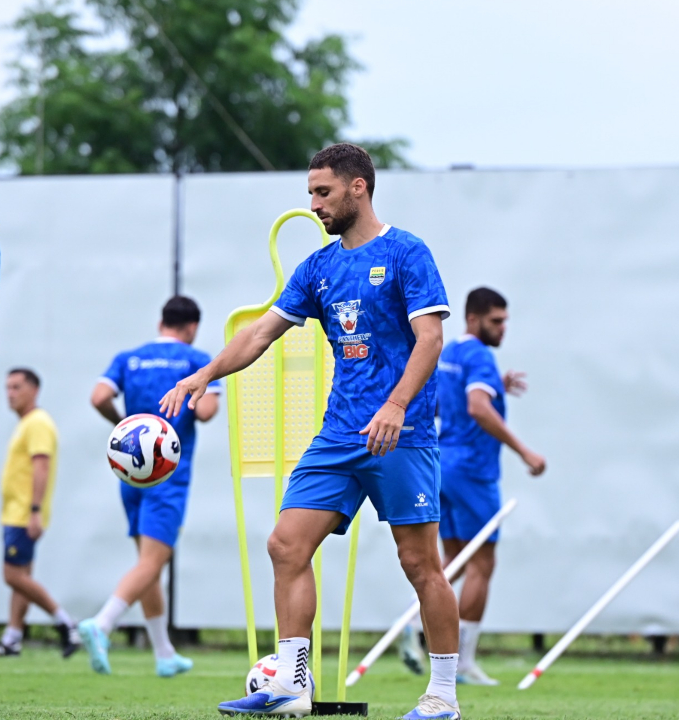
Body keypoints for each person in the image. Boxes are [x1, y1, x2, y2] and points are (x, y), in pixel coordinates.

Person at [161, 143, 462, 720]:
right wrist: (203, 373)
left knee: (421, 564)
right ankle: (291, 684)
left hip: (403, 433)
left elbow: (430, 340)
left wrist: (397, 405)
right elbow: (258, 335)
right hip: (339, 435)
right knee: (284, 545)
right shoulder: (318, 267)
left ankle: (443, 696)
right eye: (310, 194)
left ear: (358, 188)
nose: (315, 204)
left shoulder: (407, 252)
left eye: (323, 192)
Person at [399, 287, 546, 685]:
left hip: (444, 466)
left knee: (451, 558)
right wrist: (524, 452)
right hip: (474, 471)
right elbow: (477, 407)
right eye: (496, 321)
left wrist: (496, 382)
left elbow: (442, 404)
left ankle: (413, 623)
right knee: (483, 563)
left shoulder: (450, 354)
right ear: (474, 318)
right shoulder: (480, 355)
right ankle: (462, 662)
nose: (503, 329)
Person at [79, 295, 219, 678]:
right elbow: (206, 412)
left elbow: (98, 397)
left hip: (130, 472)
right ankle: (102, 624)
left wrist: (124, 424)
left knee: (148, 563)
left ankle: (163, 653)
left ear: (162, 322)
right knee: (153, 562)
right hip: (168, 474)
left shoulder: (130, 358)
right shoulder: (197, 360)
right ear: (191, 327)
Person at [0, 368, 79, 658]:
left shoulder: (37, 423)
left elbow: (41, 466)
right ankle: (12, 637)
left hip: (23, 514)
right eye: (7, 387)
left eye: (17, 387)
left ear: (34, 390)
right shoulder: (27, 423)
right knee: (22, 577)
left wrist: (34, 511)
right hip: (17, 512)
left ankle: (65, 622)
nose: (10, 393)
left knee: (12, 576)